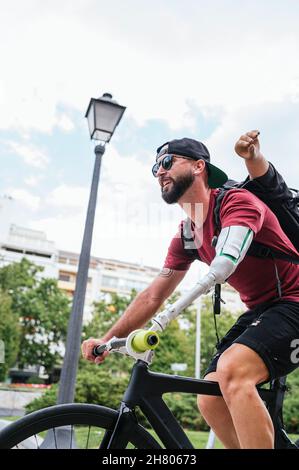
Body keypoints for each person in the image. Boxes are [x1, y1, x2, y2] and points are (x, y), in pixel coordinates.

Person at [82, 130, 299, 449]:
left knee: (233, 370)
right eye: (155, 168)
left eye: (167, 162)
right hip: (263, 311)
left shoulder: (237, 202)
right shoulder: (187, 233)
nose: (159, 171)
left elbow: (224, 263)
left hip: (293, 303)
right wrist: (107, 337)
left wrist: (164, 320)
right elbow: (153, 294)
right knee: (210, 396)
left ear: (199, 166)